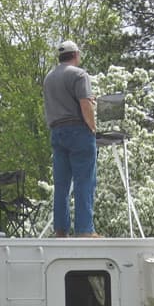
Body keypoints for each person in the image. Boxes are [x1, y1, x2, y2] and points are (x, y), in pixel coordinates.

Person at [43, 40, 99, 237]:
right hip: (78, 131)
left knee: (61, 185)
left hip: (57, 132)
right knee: (85, 180)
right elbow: (85, 105)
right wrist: (92, 128)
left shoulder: (49, 78)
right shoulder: (79, 74)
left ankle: (61, 230)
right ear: (76, 54)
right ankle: (85, 230)